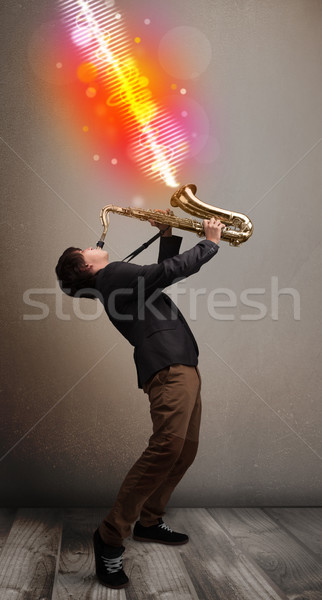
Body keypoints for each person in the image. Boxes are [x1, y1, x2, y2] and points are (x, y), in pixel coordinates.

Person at [55, 214, 224, 589]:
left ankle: (149, 521)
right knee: (166, 449)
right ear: (85, 266)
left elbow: (163, 274)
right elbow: (166, 273)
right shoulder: (111, 275)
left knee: (184, 451)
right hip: (169, 367)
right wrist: (209, 243)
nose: (93, 245)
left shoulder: (114, 282)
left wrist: (167, 235)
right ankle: (110, 537)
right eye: (85, 249)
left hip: (180, 364)